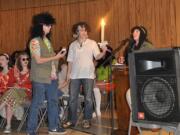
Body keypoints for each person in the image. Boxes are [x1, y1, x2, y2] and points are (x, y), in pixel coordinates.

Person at [26, 12, 67, 135]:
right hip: (39, 77)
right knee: (37, 103)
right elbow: (38, 60)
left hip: (51, 77)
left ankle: (53, 127)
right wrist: (56, 57)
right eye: (48, 25)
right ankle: (31, 130)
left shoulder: (47, 41)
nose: (50, 27)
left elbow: (51, 58)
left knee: (53, 101)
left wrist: (56, 63)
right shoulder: (34, 42)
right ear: (41, 25)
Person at [63, 22, 107, 129]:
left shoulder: (92, 43)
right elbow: (70, 61)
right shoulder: (72, 45)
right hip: (74, 75)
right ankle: (71, 120)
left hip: (88, 75)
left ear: (87, 31)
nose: (82, 32)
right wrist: (68, 75)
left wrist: (104, 51)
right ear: (76, 32)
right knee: (72, 98)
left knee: (88, 99)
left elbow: (97, 57)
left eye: (84, 30)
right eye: (80, 30)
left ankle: (87, 120)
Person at [0, 51, 32, 134]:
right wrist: (15, 84)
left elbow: (34, 86)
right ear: (19, 61)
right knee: (11, 99)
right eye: (23, 59)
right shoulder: (15, 71)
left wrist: (20, 86)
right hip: (14, 94)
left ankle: (8, 125)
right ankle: (8, 126)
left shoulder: (32, 72)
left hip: (26, 94)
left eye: (27, 59)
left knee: (12, 92)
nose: (26, 61)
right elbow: (9, 83)